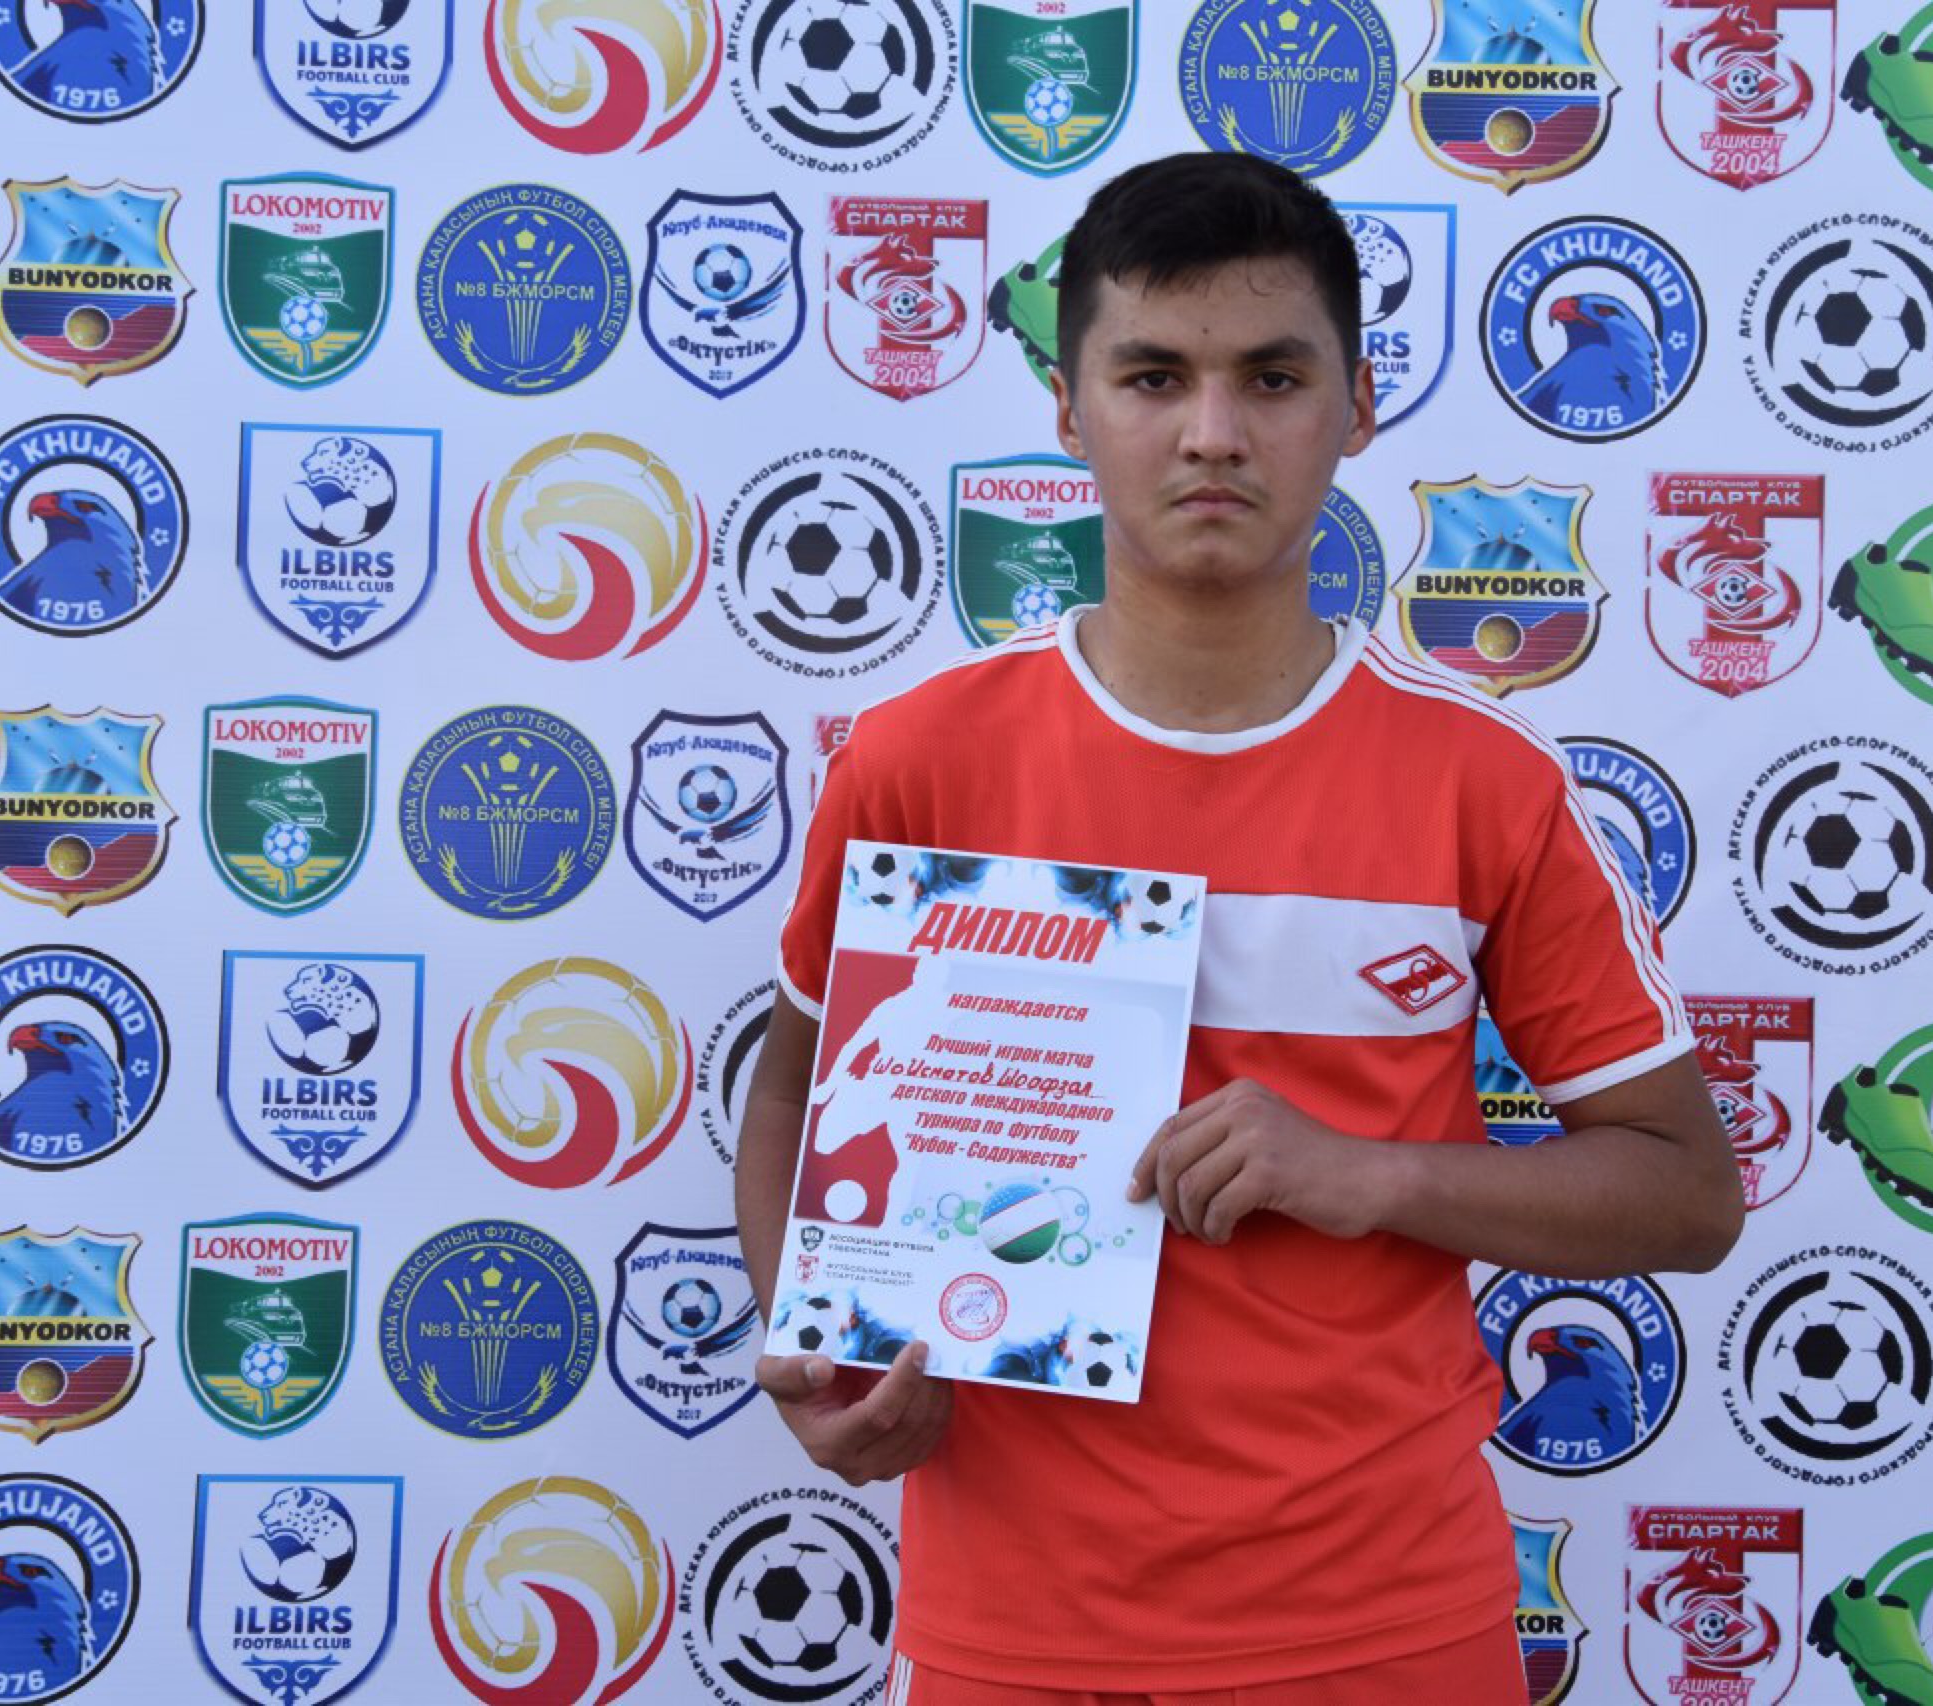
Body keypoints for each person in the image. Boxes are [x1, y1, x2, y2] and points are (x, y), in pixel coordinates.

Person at [735, 152, 1746, 1706]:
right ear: (1068, 408)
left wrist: (1375, 1175)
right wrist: (810, 1342)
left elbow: (1688, 1191)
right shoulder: (922, 759)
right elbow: (795, 1093)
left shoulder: (1482, 782)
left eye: (1273, 377)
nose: (1213, 431)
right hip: (1014, 1623)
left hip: (1382, 1624)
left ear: (1358, 406)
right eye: (1154, 375)